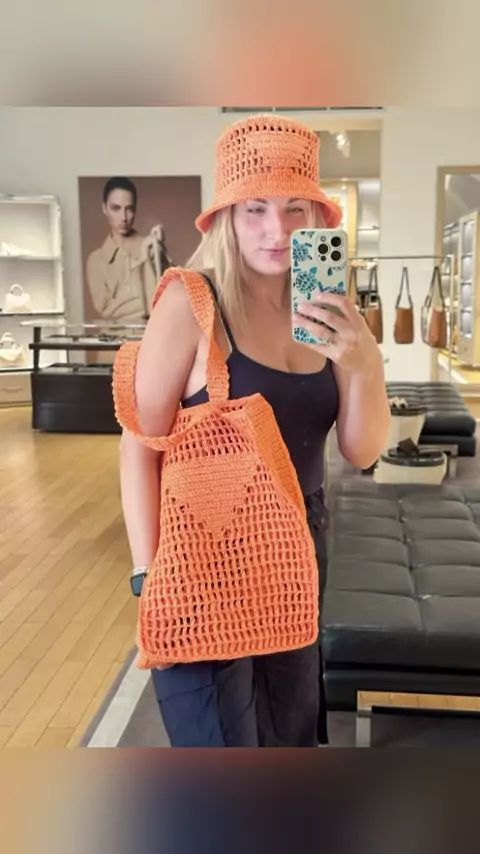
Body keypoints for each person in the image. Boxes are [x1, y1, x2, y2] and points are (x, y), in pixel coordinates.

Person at [119, 114, 391, 747]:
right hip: (204, 553)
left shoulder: (325, 307)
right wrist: (146, 571)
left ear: (318, 216)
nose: (278, 229)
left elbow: (361, 449)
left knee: (290, 734)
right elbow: (139, 441)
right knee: (219, 744)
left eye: (296, 208)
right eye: (256, 209)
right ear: (226, 218)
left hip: (296, 544)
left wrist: (366, 363)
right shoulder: (192, 302)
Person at [86, 176, 161, 322]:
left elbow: (165, 302)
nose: (124, 217)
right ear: (104, 208)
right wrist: (144, 299)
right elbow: (106, 311)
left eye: (129, 209)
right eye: (116, 208)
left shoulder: (152, 249)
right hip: (113, 336)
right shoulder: (95, 260)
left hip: (152, 333)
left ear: (135, 209)